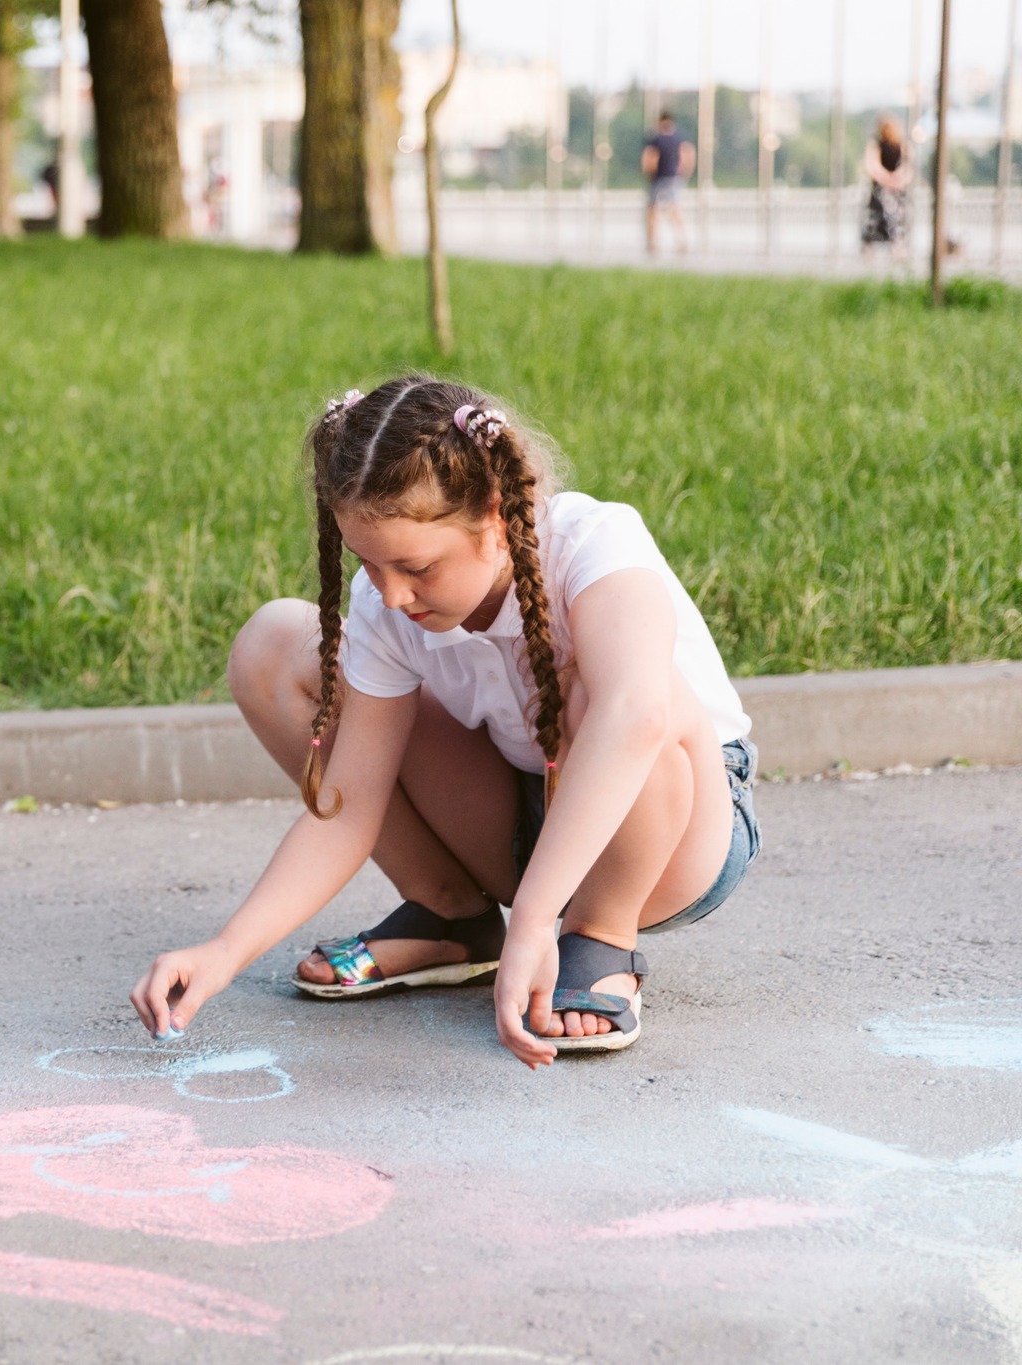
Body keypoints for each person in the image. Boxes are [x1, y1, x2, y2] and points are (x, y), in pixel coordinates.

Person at [130, 378, 760, 1066]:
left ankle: (599, 932)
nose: (391, 592)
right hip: (530, 814)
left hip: (674, 829)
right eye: (368, 562)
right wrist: (226, 949)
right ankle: (452, 915)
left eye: (416, 565)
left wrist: (536, 922)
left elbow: (637, 718)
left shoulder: (593, 545)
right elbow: (347, 807)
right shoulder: (390, 603)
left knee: (618, 689)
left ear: (493, 515)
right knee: (277, 644)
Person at [641, 110, 694, 256]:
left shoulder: (656, 139)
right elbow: (688, 155)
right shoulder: (679, 138)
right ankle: (683, 240)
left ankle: (652, 242)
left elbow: (650, 157)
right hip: (674, 178)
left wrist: (648, 173)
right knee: (674, 209)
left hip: (657, 178)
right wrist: (684, 173)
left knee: (653, 209)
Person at [862, 116, 912, 262]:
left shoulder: (902, 145)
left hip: (897, 190)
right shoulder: (876, 144)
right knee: (882, 214)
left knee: (898, 215)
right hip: (881, 190)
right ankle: (888, 244)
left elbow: (908, 166)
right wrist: (887, 179)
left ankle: (898, 245)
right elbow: (872, 166)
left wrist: (898, 179)